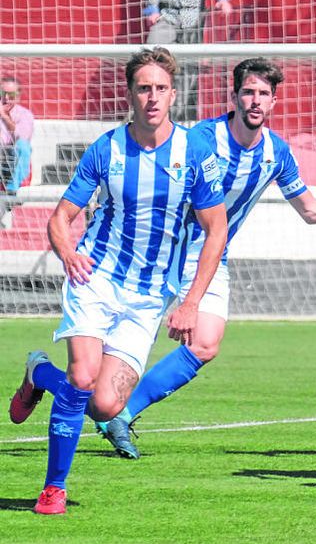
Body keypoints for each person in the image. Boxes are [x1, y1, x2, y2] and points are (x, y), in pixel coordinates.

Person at [92, 57, 316, 458]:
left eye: (263, 94)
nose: (256, 101)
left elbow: (311, 210)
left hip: (211, 258)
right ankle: (51, 380)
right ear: (234, 97)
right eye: (249, 92)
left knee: (205, 344)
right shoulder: (200, 139)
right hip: (160, 255)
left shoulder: (276, 152)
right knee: (94, 364)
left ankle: (122, 415)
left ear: (274, 101)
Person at [7, 47, 228, 514]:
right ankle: (54, 488)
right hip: (97, 277)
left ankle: (38, 373)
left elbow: (216, 230)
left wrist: (191, 302)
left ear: (173, 94)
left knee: (106, 406)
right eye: (144, 88)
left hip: (149, 296)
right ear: (129, 93)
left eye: (161, 89)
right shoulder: (106, 149)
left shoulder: (197, 152)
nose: (153, 97)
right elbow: (60, 218)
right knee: (83, 376)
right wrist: (67, 253)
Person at [0, 75, 34, 192]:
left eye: (11, 95)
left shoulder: (25, 115)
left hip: (16, 162)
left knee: (23, 146)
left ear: (18, 97)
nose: (6, 98)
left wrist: (4, 117)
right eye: (3, 93)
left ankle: (12, 191)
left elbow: (22, 138)